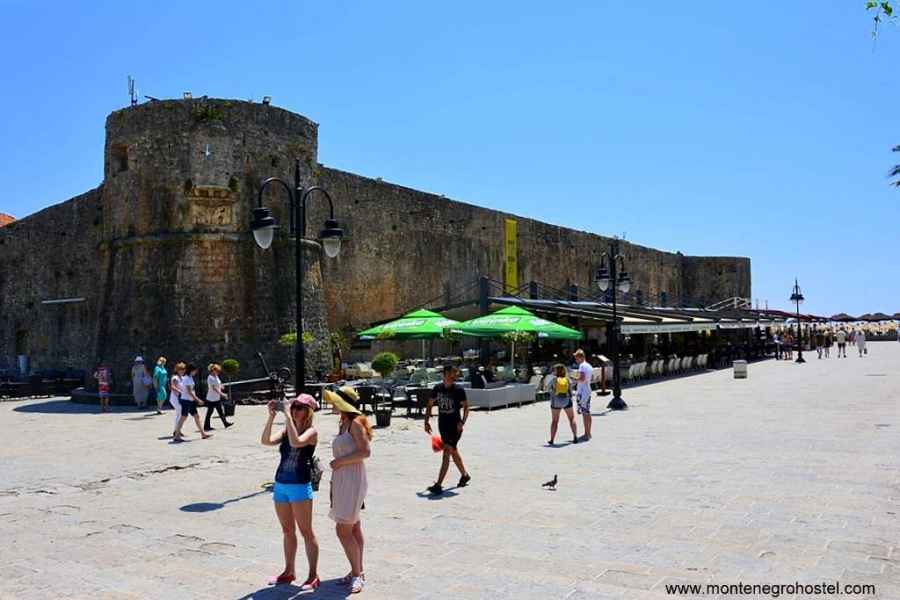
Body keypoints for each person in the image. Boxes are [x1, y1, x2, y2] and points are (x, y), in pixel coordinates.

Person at [261, 394, 321, 591]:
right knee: (287, 531)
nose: (295, 410)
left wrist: (286, 415)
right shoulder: (288, 430)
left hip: (299, 486)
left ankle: (313, 575)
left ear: (308, 412)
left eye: (300, 408)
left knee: (306, 532)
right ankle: (289, 571)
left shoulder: (312, 432)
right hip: (281, 484)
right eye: (293, 407)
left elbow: (297, 443)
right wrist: (271, 417)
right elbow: (266, 441)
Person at [324, 386, 372, 595]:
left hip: (351, 478)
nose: (332, 404)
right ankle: (357, 570)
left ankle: (356, 574)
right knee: (353, 527)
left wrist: (339, 462)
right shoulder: (345, 422)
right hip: (345, 478)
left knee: (343, 529)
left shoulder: (354, 423)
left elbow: (365, 451)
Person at [425, 365, 471, 496]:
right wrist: (426, 422)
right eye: (451, 373)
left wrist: (462, 422)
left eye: (455, 374)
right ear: (444, 374)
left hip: (455, 427)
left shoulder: (459, 390)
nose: (454, 376)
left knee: (446, 452)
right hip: (443, 426)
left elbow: (466, 407)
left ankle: (438, 485)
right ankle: (465, 475)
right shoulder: (437, 388)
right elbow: (429, 405)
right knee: (453, 451)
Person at [174, 364, 210, 442]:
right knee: (183, 417)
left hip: (190, 400)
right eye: (195, 370)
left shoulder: (190, 378)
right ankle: (176, 435)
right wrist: (198, 400)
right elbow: (189, 391)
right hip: (186, 401)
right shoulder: (187, 378)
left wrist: (194, 400)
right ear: (191, 370)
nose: (196, 372)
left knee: (196, 416)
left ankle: (203, 433)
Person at [548, 364, 577, 445]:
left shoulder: (554, 380)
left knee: (554, 421)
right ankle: (575, 437)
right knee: (571, 418)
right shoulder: (567, 379)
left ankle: (552, 439)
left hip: (555, 402)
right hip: (567, 401)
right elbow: (570, 390)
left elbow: (547, 388)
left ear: (556, 371)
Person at [204, 363, 233, 431]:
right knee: (209, 412)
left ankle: (225, 423)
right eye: (217, 371)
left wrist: (221, 386)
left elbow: (219, 383)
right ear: (213, 370)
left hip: (216, 398)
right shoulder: (210, 378)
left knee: (220, 411)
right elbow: (214, 388)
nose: (218, 372)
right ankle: (206, 426)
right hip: (211, 398)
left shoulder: (216, 376)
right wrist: (222, 394)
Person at [572, 349, 593, 441]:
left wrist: (573, 378)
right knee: (587, 412)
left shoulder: (582, 366)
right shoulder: (588, 365)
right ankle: (589, 432)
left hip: (583, 391)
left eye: (576, 358)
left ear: (580, 357)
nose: (576, 360)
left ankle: (586, 433)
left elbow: (581, 379)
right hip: (587, 389)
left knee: (585, 413)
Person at [169, 362, 186, 436]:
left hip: (180, 398)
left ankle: (177, 430)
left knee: (180, 414)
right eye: (180, 369)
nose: (182, 371)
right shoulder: (175, 377)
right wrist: (180, 392)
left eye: (183, 369)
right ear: (177, 370)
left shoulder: (182, 378)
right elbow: (172, 387)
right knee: (180, 413)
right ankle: (176, 431)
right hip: (175, 398)